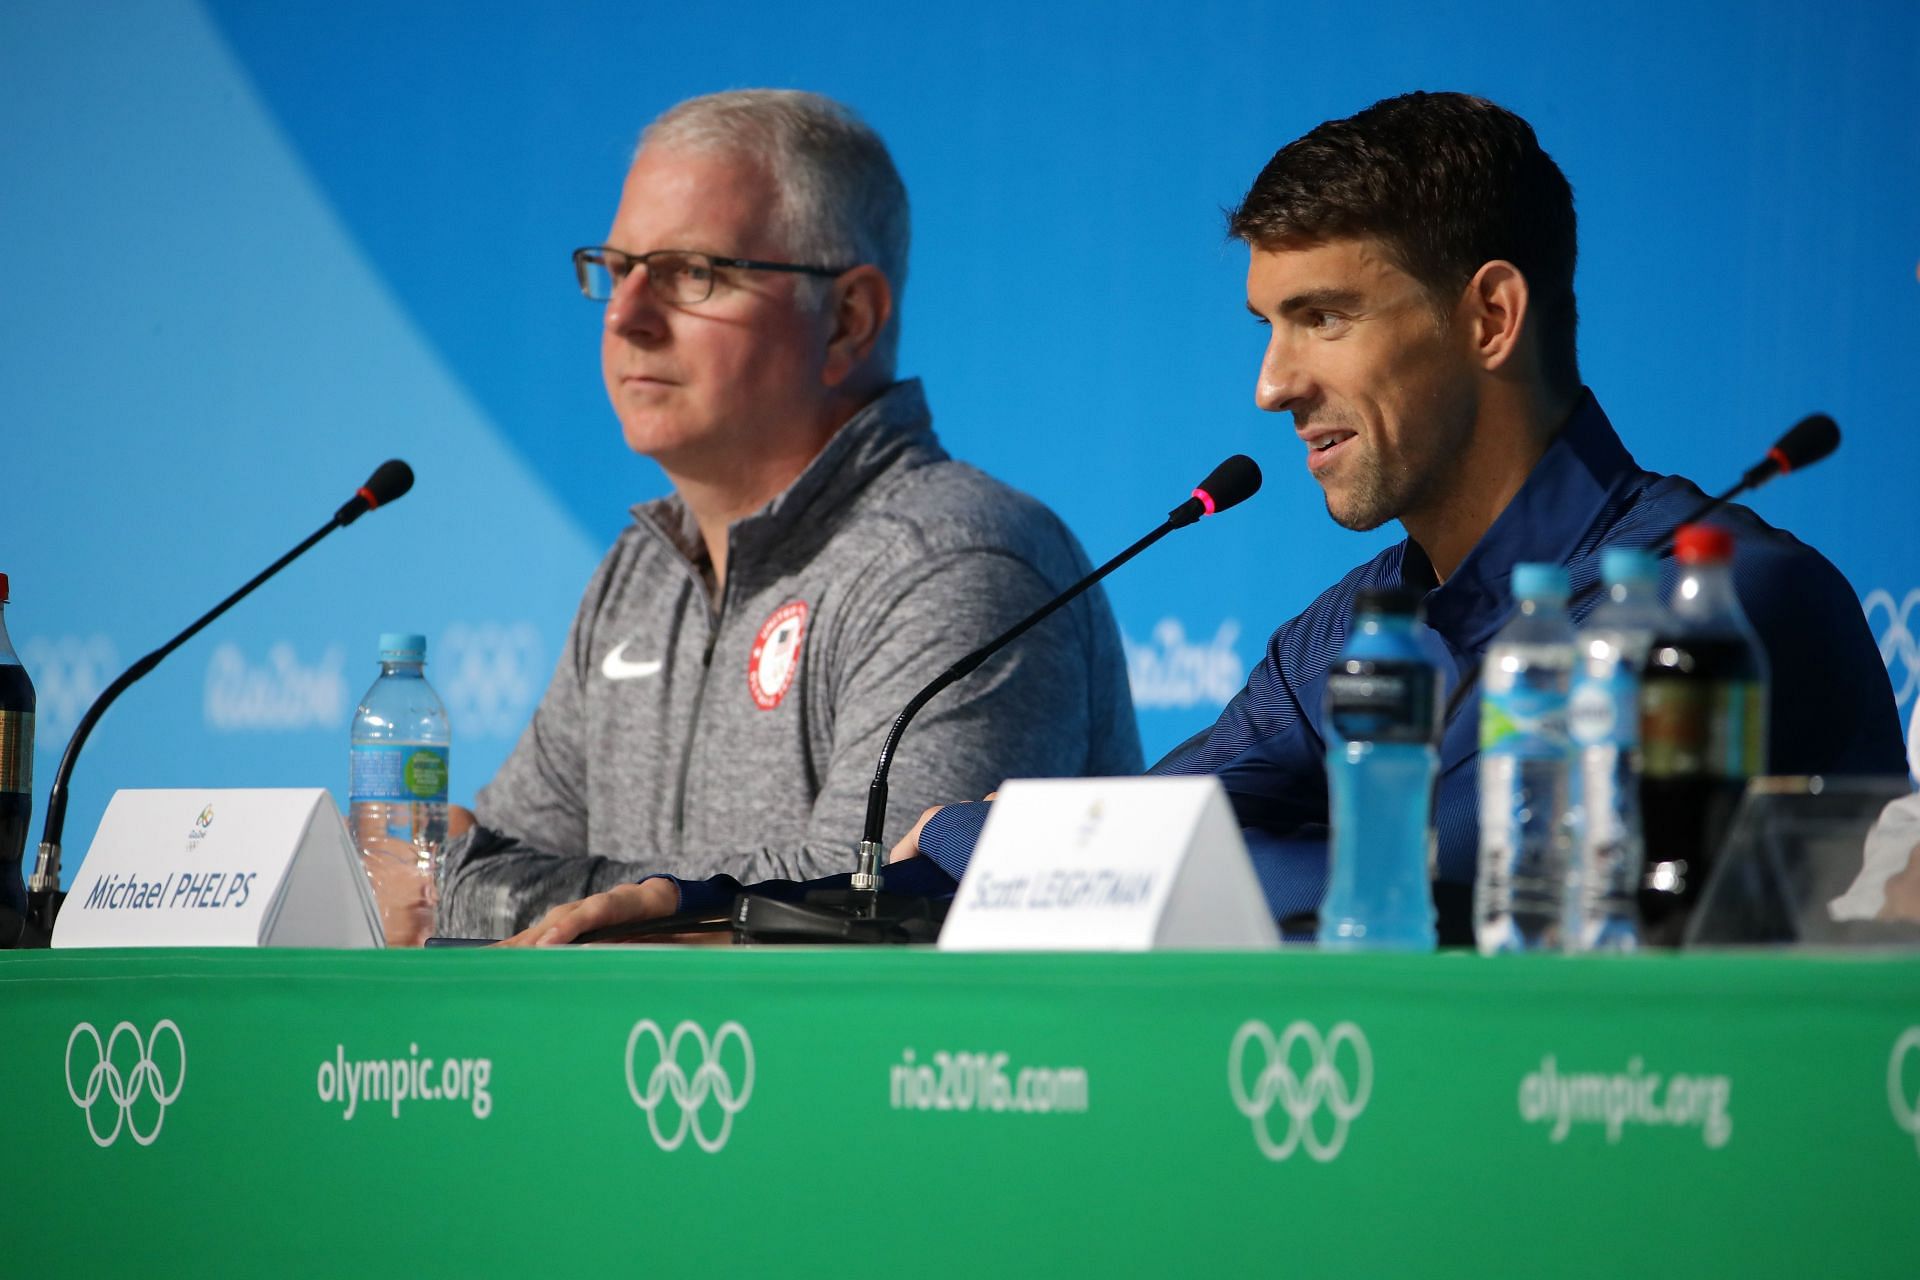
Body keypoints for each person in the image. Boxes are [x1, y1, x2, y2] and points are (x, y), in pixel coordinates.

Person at [509, 90, 1903, 947]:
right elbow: (1114, 841)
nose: (1270, 384)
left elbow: (1468, 887)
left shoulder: (1726, 607)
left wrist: (1013, 843)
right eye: (1267, 325)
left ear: (1489, 315)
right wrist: (711, 901)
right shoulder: (1344, 636)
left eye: (1325, 318)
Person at [438, 90, 1141, 943]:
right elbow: (470, 861)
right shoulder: (642, 570)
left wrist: (496, 894)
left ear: (848, 318)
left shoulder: (959, 563)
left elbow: (861, 913)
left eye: (690, 273)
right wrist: (485, 886)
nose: (625, 316)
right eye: (618, 270)